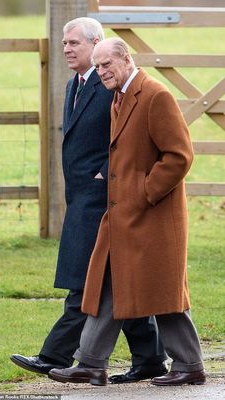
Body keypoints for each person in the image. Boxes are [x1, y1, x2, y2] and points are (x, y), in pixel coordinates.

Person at [11, 18, 167, 383]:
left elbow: (130, 134)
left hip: (105, 198)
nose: (66, 49)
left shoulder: (109, 82)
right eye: (64, 43)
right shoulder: (75, 83)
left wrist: (105, 171)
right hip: (82, 197)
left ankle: (55, 354)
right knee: (116, 281)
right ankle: (150, 358)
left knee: (87, 281)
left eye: (74, 43)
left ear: (96, 43)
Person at [49, 37, 206, 387]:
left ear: (126, 60)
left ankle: (190, 364)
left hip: (153, 216)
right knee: (108, 282)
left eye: (107, 65)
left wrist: (143, 191)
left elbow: (179, 156)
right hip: (122, 215)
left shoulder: (155, 95)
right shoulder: (120, 96)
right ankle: (90, 362)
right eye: (98, 66)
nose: (101, 71)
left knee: (163, 290)